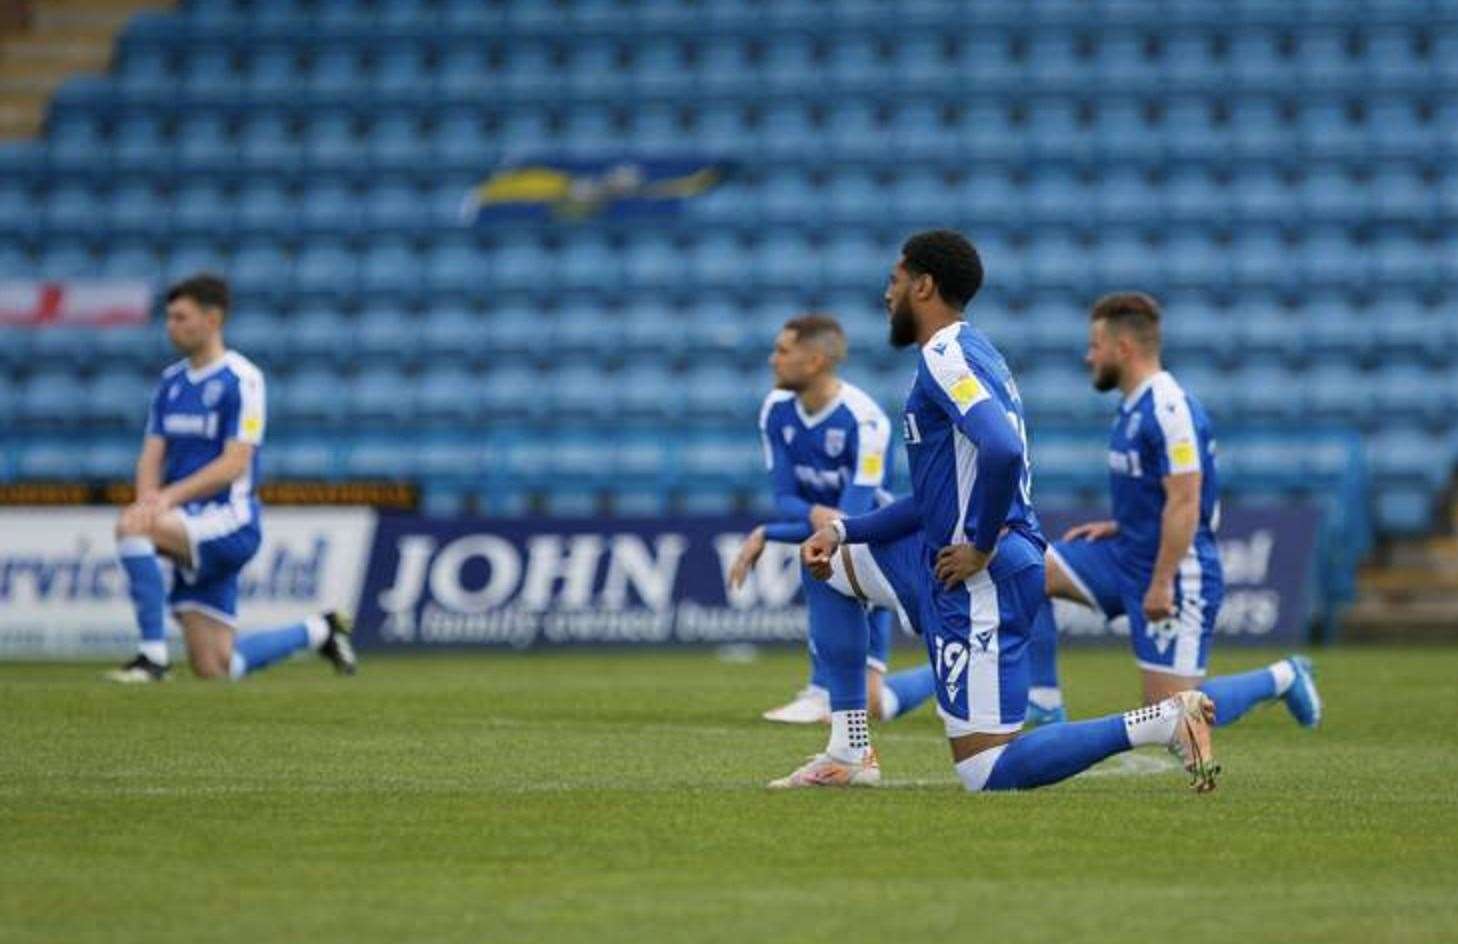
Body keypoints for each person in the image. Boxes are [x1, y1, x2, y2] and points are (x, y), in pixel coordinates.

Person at [800, 231, 1220, 793]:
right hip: (937, 551)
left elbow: (1002, 449)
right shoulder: (974, 353)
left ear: (922, 285)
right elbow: (934, 498)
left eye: (893, 282)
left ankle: (1164, 720)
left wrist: (980, 544)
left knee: (986, 771)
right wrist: (841, 529)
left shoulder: (948, 356)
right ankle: (848, 749)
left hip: (979, 574)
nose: (886, 295)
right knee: (831, 568)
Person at [1027, 292, 1321, 729]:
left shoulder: (1169, 408)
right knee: (1025, 570)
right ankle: (1044, 701)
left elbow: (1186, 500)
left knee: (1173, 721)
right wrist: (1121, 524)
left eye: (1096, 346)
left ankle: (1280, 677)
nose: (1089, 357)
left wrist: (1162, 582)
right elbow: (1161, 494)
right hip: (1127, 552)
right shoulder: (1132, 406)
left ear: (1122, 349)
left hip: (1176, 570)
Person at [105, 274, 355, 683]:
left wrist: (162, 502)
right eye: (168, 317)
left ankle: (152, 659)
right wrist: (149, 497)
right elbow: (152, 452)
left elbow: (234, 463)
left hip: (229, 522)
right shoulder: (171, 383)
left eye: (181, 317)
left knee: (131, 525)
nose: (171, 326)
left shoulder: (242, 379)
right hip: (183, 522)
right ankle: (321, 629)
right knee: (218, 668)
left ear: (212, 318)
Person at [731, 315, 934, 786]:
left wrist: (771, 533)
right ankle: (841, 727)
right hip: (841, 549)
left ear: (816, 359)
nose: (772, 359)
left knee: (873, 697)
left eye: (782, 351)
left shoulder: (865, 419)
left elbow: (855, 515)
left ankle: (980, 675)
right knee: (868, 699)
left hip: (881, 546)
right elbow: (786, 497)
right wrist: (798, 522)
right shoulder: (776, 410)